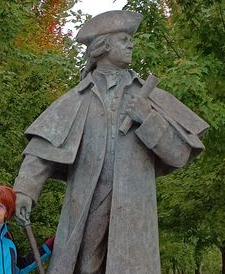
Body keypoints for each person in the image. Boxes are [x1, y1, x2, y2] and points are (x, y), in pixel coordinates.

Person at [13, 10, 209, 274]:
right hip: (88, 200)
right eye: (123, 38)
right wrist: (25, 191)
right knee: (84, 265)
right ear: (102, 46)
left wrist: (148, 119)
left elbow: (178, 155)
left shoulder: (147, 97)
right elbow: (41, 151)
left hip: (133, 205)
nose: (130, 43)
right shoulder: (79, 97)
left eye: (130, 39)